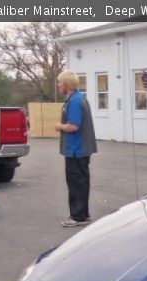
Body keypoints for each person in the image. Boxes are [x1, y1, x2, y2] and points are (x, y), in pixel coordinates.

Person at [54, 70, 97, 227]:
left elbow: (73, 126)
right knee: (82, 182)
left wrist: (59, 126)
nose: (58, 85)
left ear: (66, 84)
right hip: (81, 149)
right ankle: (83, 214)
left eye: (59, 82)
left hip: (75, 149)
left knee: (75, 183)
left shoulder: (74, 101)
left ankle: (77, 216)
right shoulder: (80, 98)